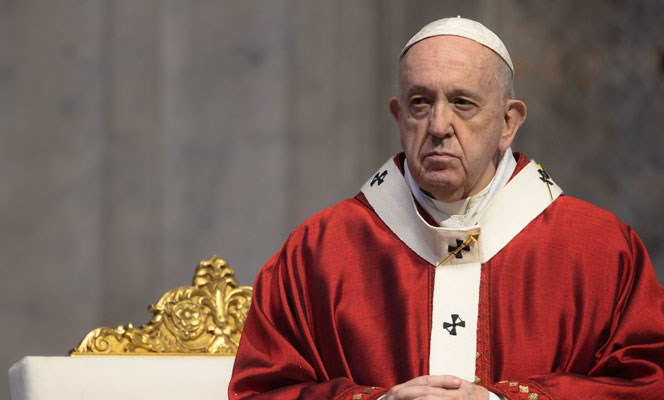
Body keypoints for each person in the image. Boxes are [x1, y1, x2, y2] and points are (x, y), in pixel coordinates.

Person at [228, 17, 664, 400]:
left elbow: (649, 383)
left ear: (508, 123)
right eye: (420, 102)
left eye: (462, 103)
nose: (438, 126)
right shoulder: (319, 253)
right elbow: (261, 390)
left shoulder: (601, 250)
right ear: (398, 116)